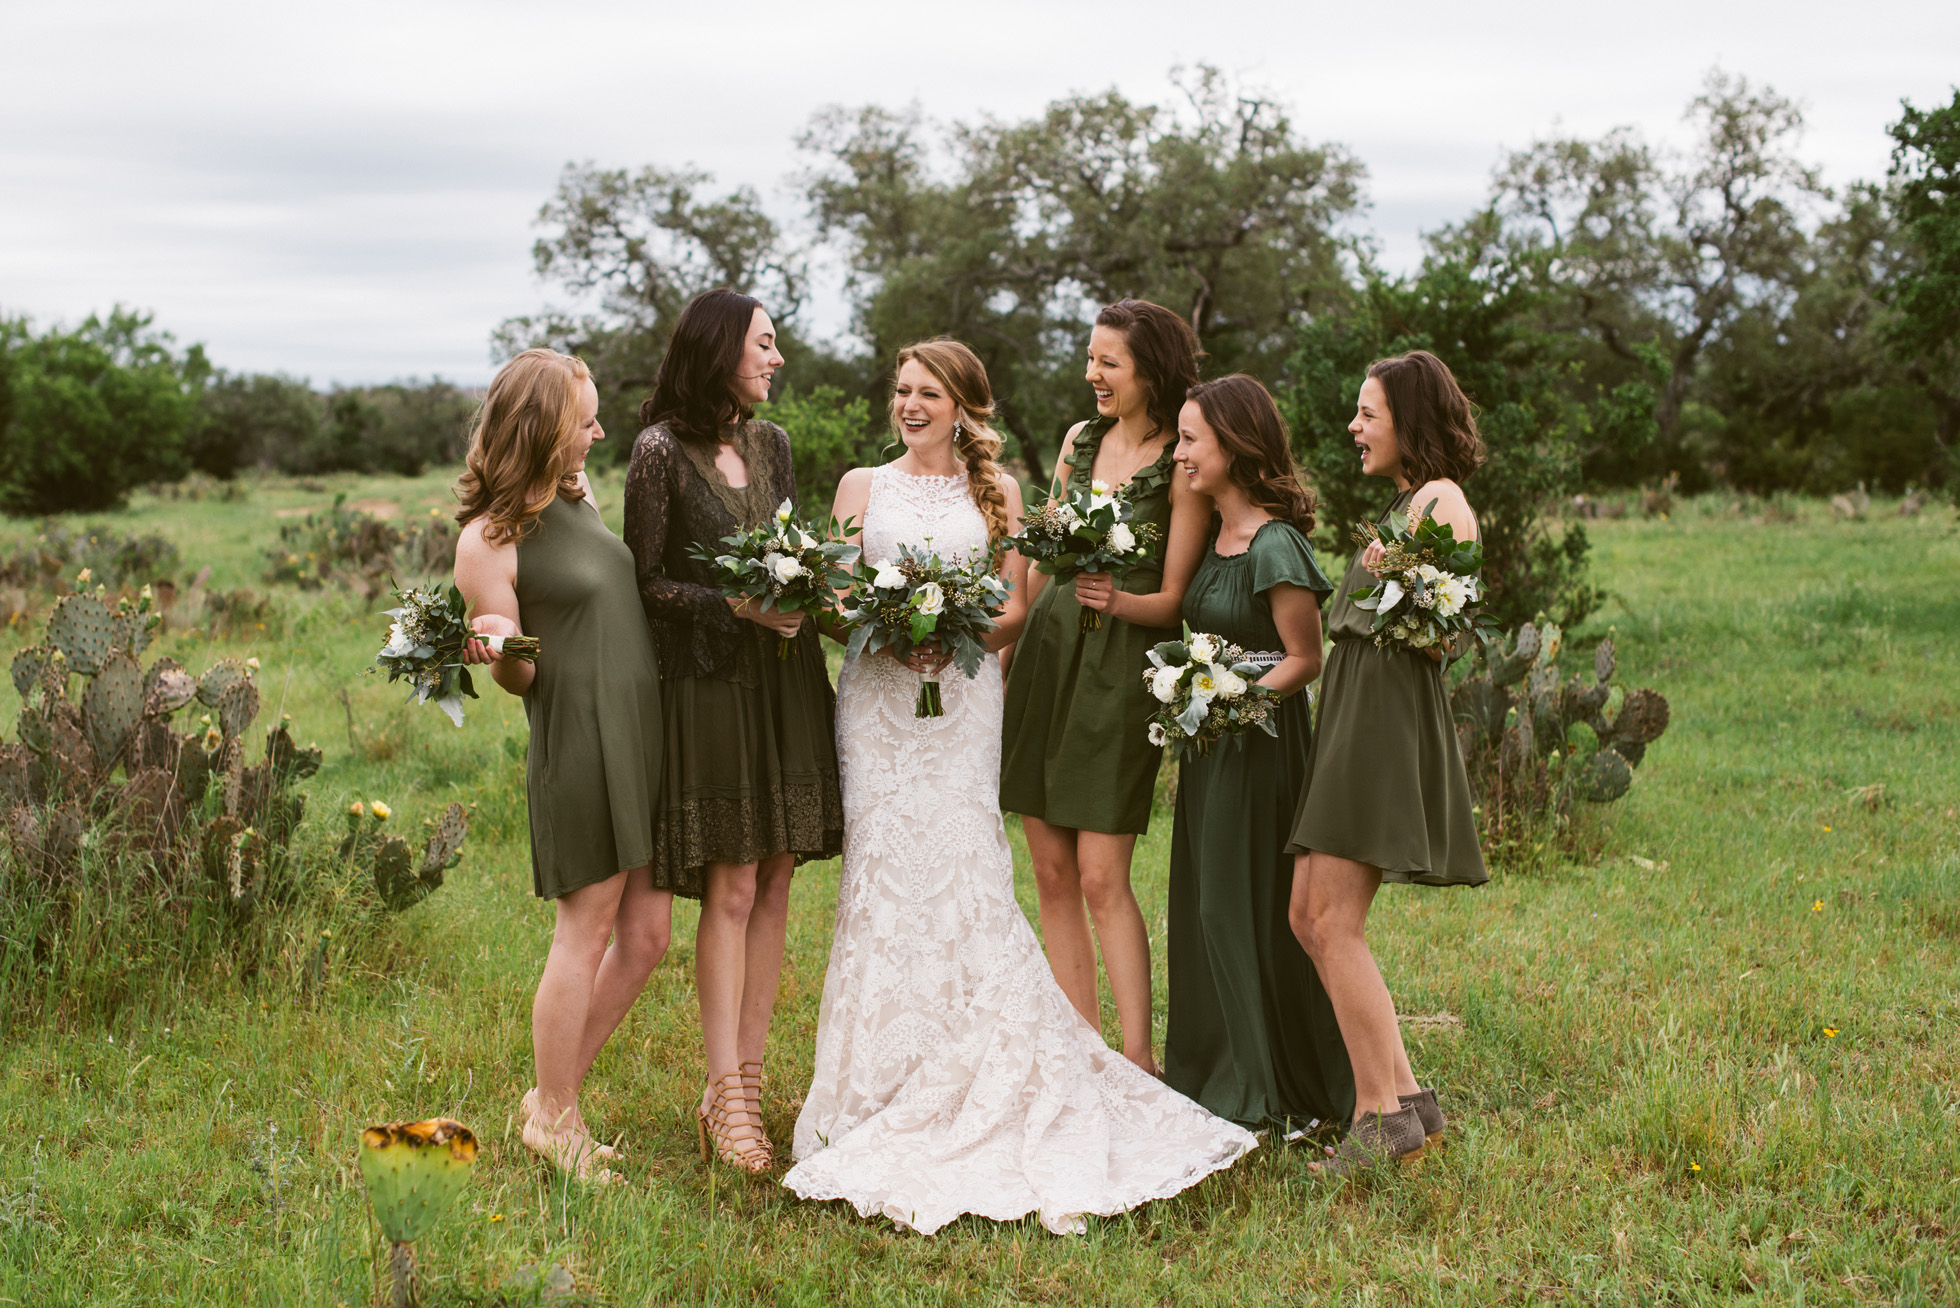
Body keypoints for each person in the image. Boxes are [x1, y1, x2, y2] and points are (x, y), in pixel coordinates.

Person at [785, 339, 1255, 1235]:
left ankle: (1012, 1062)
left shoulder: (997, 495)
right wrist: (884, 628)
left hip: (962, 705)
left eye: (927, 392)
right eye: (900, 391)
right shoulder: (857, 487)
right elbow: (834, 597)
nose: (909, 405)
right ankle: (874, 1079)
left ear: (966, 404)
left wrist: (952, 632)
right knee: (880, 880)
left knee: (967, 873)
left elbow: (1014, 604)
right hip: (878, 708)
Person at [622, 290, 844, 1173]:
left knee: (779, 870)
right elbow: (642, 584)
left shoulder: (774, 445)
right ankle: (724, 1091)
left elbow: (792, 550)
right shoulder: (656, 453)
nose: (776, 358)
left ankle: (748, 1085)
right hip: (712, 685)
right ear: (719, 351)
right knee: (735, 882)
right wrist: (733, 605)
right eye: (764, 343)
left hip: (786, 681)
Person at [453, 348, 668, 1184]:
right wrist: (500, 648)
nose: (599, 431)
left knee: (647, 936)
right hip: (581, 740)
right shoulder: (488, 540)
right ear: (544, 429)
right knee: (586, 932)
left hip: (642, 731)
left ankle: (550, 1102)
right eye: (585, 421)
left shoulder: (578, 500)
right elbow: (518, 671)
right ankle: (559, 1115)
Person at [1285, 349, 1489, 1172]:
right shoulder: (1407, 502)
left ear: (1410, 418)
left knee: (1335, 923)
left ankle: (1376, 1118)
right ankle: (1411, 1108)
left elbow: (1443, 628)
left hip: (1382, 724)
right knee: (1308, 917)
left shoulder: (1441, 500)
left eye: (1368, 413)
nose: (1354, 427)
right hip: (1352, 714)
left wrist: (1400, 573)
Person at [998, 300, 1211, 1074]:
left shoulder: (1179, 462)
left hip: (1123, 665)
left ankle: (1138, 1060)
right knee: (1050, 867)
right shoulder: (1078, 440)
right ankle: (1080, 1050)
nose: (1092, 374)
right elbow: (1047, 545)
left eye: (1107, 362)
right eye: (1089, 358)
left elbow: (1177, 598)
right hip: (1051, 651)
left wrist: (1119, 599)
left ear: (1149, 369)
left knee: (1099, 873)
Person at [1162, 375, 1354, 1132]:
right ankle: (1218, 1074)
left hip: (1263, 748)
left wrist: (1237, 703)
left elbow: (1305, 657)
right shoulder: (1212, 534)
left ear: (1234, 448)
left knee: (1240, 907)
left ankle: (1267, 1086)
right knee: (1206, 904)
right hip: (1213, 749)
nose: (1179, 453)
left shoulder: (1276, 543)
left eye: (1189, 440)